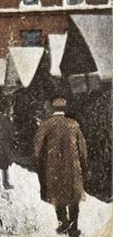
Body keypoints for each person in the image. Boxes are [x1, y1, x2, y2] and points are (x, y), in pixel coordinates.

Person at [34, 97, 88, 237]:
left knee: (58, 194)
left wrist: (41, 161)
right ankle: (74, 227)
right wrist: (82, 163)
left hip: (53, 166)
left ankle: (62, 223)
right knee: (74, 195)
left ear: (52, 108)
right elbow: (82, 148)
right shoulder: (73, 124)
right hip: (72, 166)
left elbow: (37, 148)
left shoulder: (46, 124)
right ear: (64, 109)